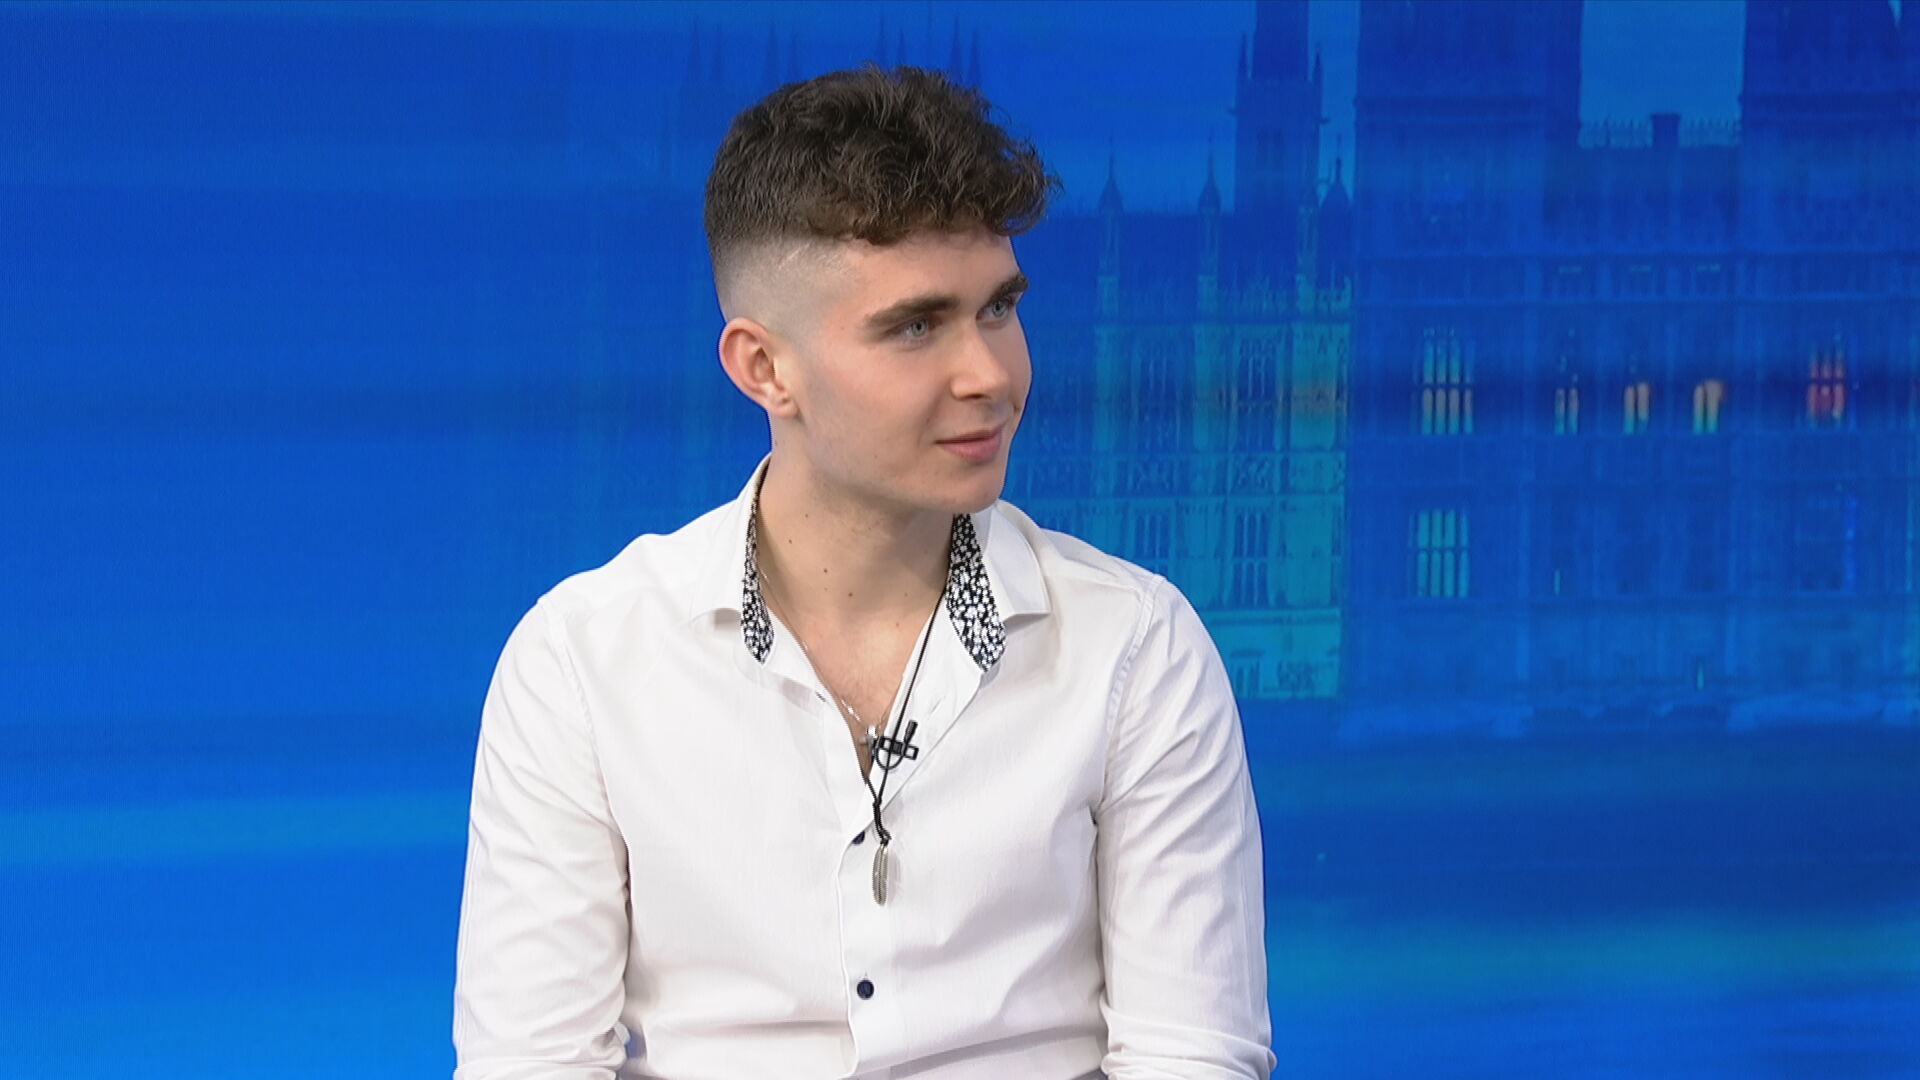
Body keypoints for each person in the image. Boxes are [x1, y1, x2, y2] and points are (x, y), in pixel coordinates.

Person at [452, 64, 1275, 1079]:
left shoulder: (1136, 650)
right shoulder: (582, 664)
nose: (992, 376)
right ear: (764, 368)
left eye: (1000, 309)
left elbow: (1191, 1055)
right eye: (917, 326)